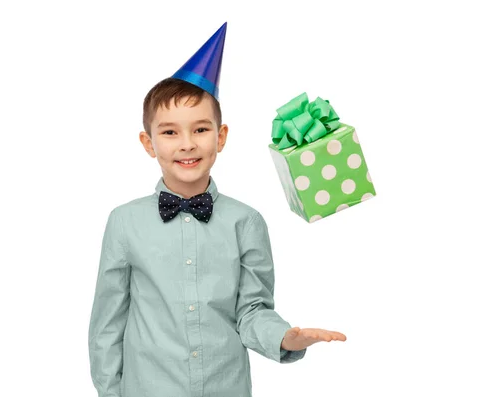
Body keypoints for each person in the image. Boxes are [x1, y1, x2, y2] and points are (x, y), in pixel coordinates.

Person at [88, 22, 346, 397]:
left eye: (201, 129)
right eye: (170, 132)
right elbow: (107, 324)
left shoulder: (247, 222)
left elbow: (252, 311)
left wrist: (287, 337)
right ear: (149, 143)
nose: (187, 144)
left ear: (221, 137)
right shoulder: (124, 222)